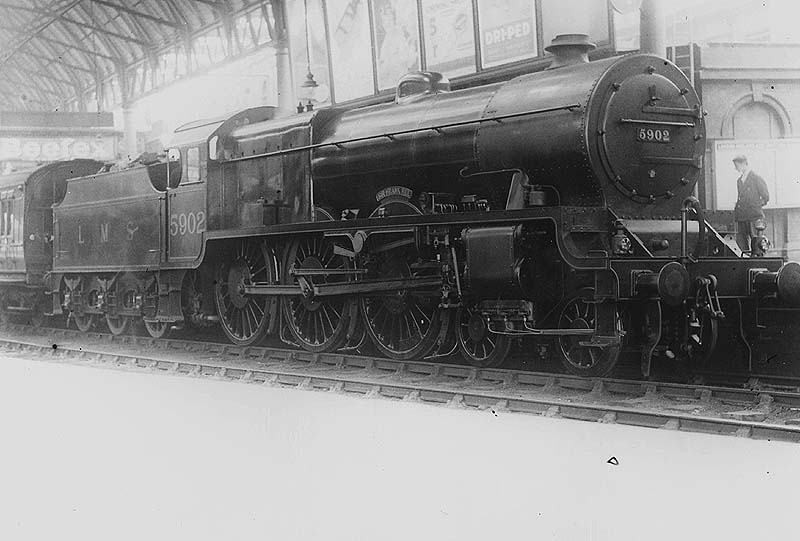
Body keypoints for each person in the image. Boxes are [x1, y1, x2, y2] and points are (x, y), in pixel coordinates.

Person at [732, 154, 770, 253]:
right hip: (742, 217)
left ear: (744, 163)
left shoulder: (756, 178)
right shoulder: (739, 181)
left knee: (757, 245)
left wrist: (755, 206)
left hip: (754, 217)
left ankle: (758, 265)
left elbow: (766, 197)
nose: (735, 168)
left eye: (737, 165)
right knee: (742, 245)